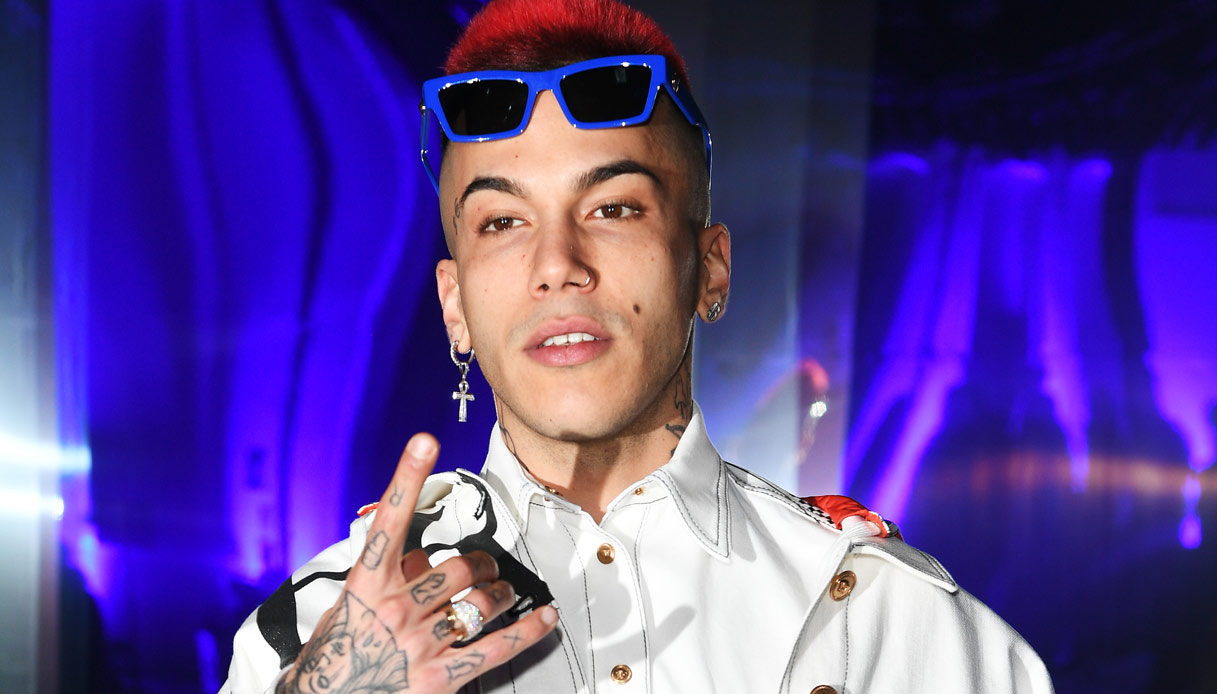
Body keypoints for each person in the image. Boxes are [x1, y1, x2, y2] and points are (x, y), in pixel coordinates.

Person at [222, 1, 1054, 692]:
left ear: (709, 269)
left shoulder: (888, 621)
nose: (556, 264)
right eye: (502, 222)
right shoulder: (315, 632)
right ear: (454, 306)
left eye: (613, 209)